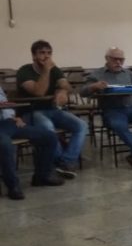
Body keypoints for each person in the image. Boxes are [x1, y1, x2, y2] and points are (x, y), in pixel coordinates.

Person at [16, 39, 87, 179]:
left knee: (81, 125)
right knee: (48, 128)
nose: (46, 56)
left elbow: (67, 86)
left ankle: (65, 162)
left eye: (49, 53)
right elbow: (38, 92)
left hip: (53, 110)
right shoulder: (24, 71)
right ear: (33, 56)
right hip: (30, 112)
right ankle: (62, 162)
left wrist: (62, 91)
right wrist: (46, 70)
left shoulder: (55, 70)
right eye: (42, 53)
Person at [81, 47, 132, 169]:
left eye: (121, 60)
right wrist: (94, 86)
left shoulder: (128, 73)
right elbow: (82, 92)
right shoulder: (97, 74)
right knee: (119, 126)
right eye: (115, 59)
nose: (118, 62)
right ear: (107, 59)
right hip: (112, 110)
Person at [1, 87, 63, 199]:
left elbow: (5, 104)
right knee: (5, 145)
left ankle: (42, 176)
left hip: (9, 123)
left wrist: (14, 117)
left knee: (48, 137)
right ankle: (13, 186)